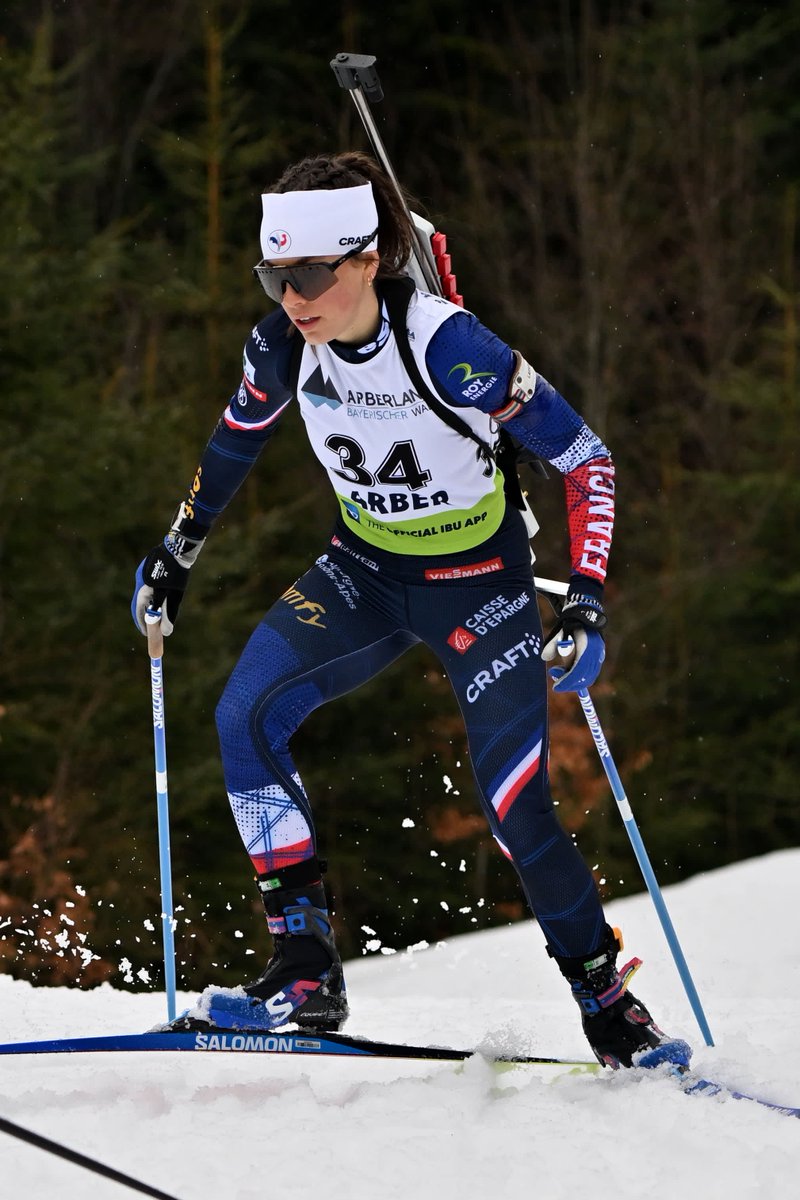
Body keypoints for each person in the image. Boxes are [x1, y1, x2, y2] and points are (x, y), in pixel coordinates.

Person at [132, 150, 690, 1069]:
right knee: (245, 717)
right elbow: (231, 447)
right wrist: (177, 550)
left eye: (309, 275)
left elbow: (586, 458)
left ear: (364, 260)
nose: (291, 298)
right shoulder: (280, 348)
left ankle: (610, 1008)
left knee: (515, 804)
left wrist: (586, 601)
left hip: (480, 584)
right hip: (365, 569)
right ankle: (306, 971)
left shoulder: (448, 348)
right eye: (273, 276)